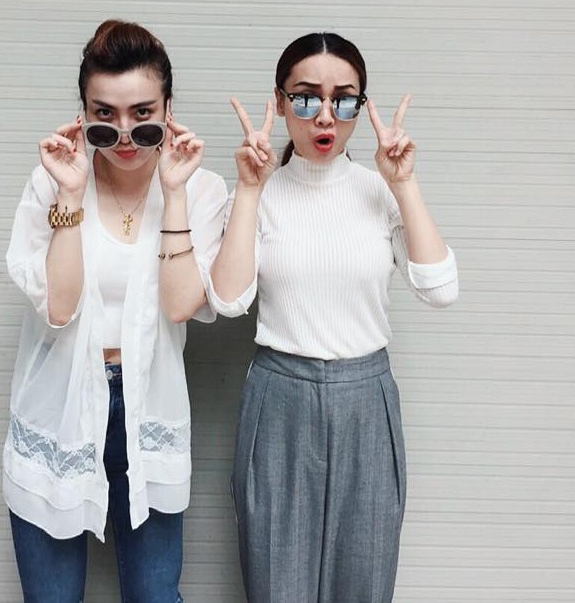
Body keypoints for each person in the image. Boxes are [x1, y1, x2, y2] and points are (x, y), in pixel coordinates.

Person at [208, 32, 459, 602]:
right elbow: (227, 300)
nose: (325, 116)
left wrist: (404, 183)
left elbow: (441, 289)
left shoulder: (378, 191)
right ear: (279, 103)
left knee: (363, 581)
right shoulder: (259, 193)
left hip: (366, 398)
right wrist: (248, 190)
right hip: (280, 395)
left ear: (361, 107)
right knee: (277, 582)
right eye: (305, 98)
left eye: (343, 100)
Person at [2, 19, 228, 603]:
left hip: (148, 407)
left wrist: (173, 193)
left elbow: (181, 305)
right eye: (104, 116)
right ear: (82, 115)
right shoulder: (52, 183)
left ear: (169, 109)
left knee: (155, 595)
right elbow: (59, 308)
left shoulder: (201, 190)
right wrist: (69, 195)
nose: (124, 134)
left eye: (142, 114)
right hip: (59, 408)